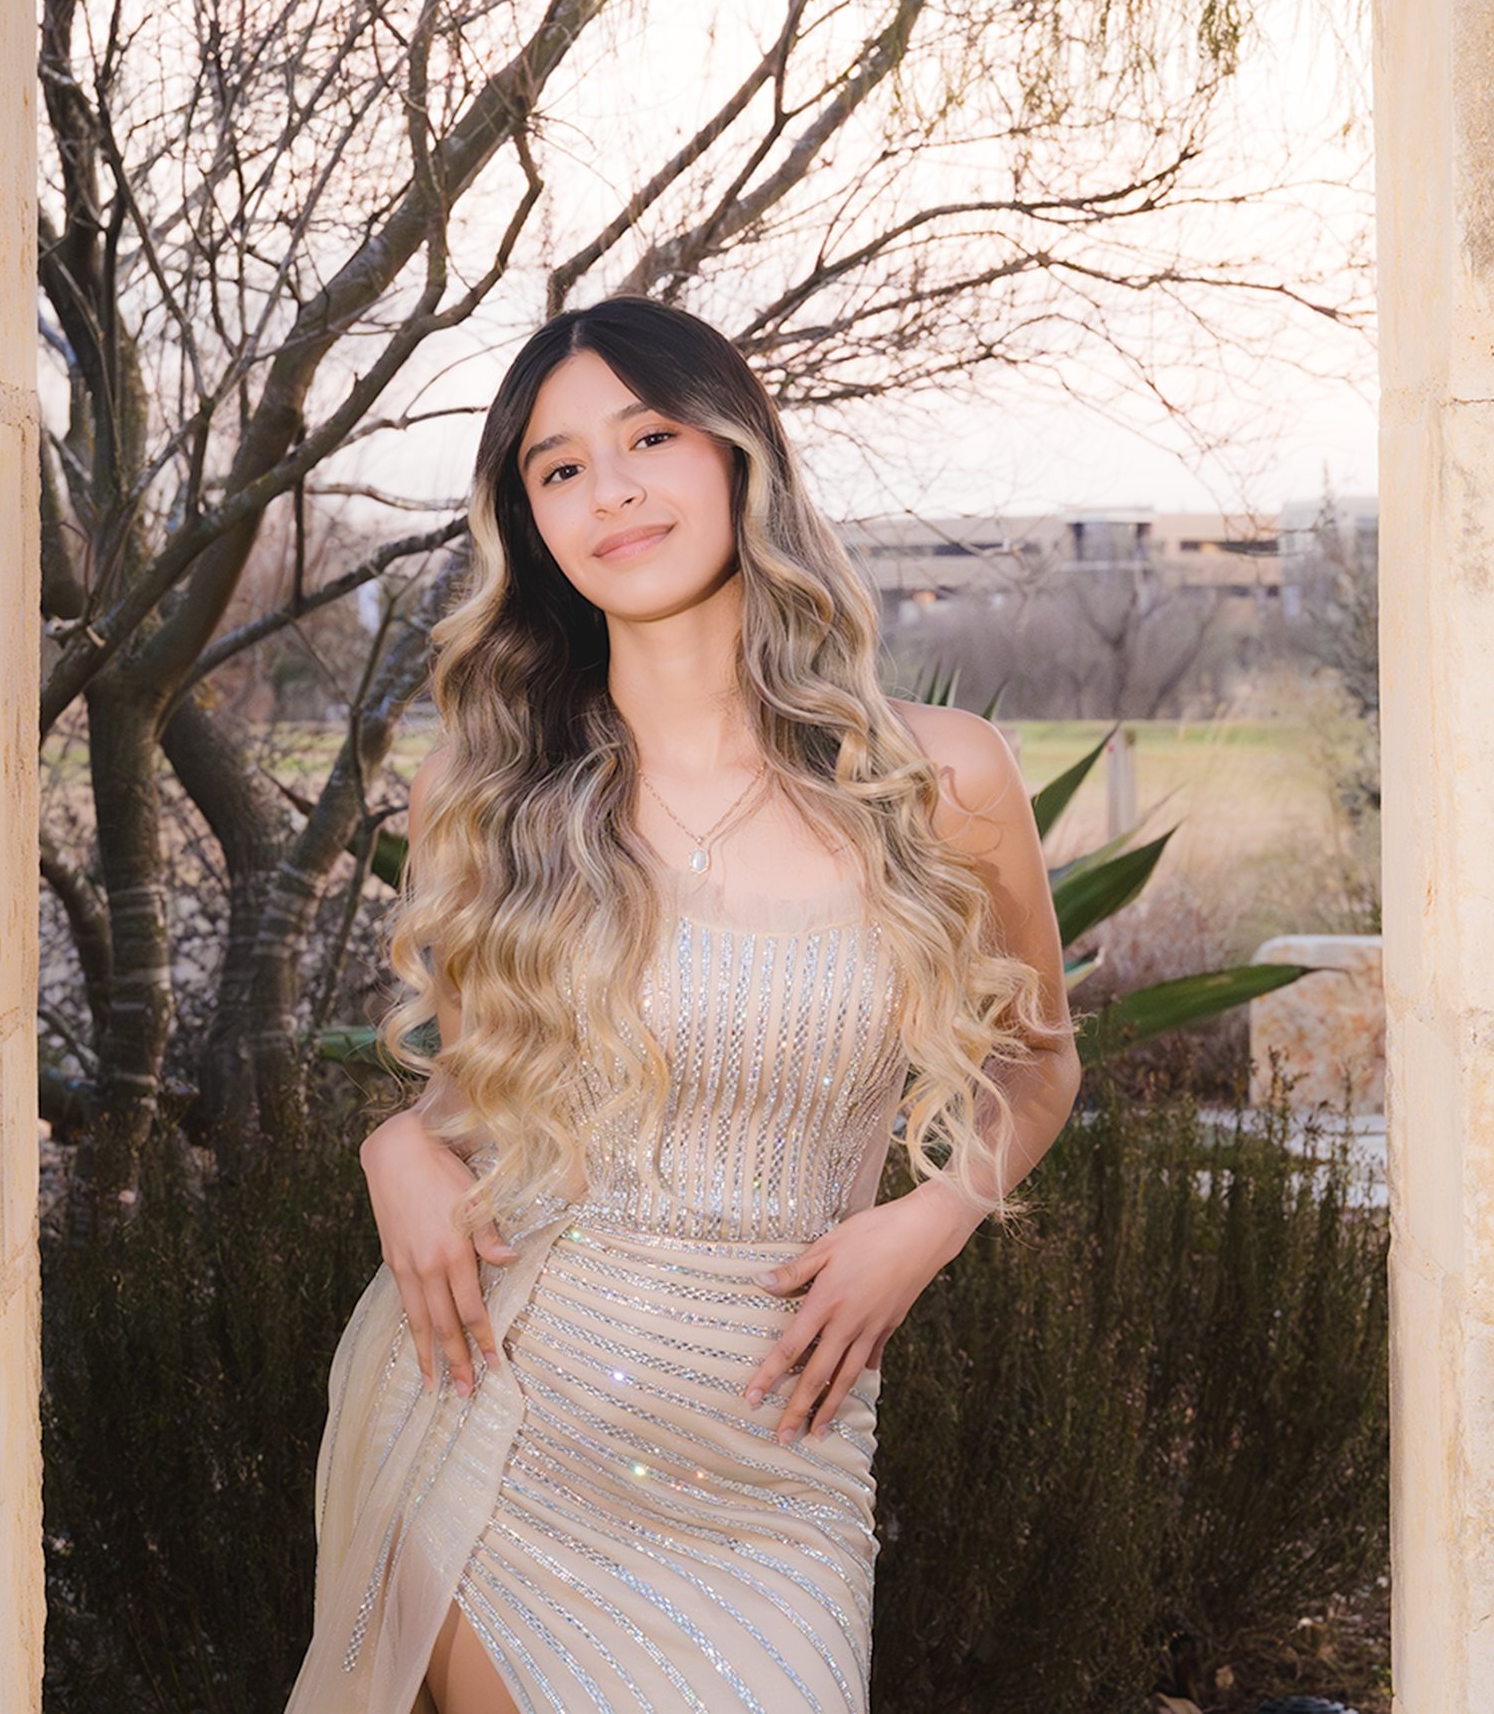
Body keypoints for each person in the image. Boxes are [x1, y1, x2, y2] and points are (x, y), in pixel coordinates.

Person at [282, 295, 1080, 1714]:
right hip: (496, 1431)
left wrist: (936, 1216)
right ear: (532, 525)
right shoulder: (486, 803)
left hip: (782, 1472)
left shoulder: (938, 779)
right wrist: (396, 1148)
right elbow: (474, 1108)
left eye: (649, 436)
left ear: (738, 459)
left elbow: (1040, 1063)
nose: (614, 489)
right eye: (561, 467)